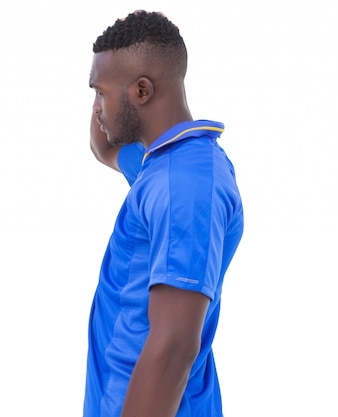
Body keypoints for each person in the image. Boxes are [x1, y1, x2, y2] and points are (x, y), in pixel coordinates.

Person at [84, 11, 244, 417]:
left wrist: (108, 76)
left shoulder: (185, 187)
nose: (97, 107)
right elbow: (105, 149)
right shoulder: (161, 163)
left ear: (141, 91)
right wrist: (105, 75)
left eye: (102, 94)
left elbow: (174, 347)